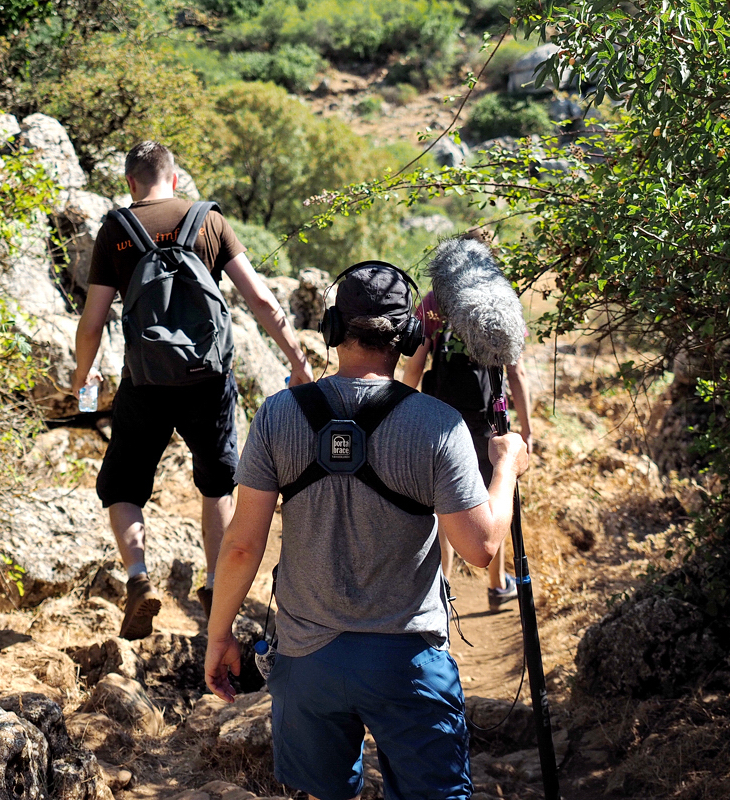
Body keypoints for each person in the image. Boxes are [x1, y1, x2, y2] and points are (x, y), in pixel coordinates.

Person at [204, 263, 530, 800]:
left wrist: (219, 638)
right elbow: (482, 546)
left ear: (333, 329)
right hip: (408, 661)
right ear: (407, 336)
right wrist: (506, 467)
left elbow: (241, 545)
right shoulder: (438, 424)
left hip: (307, 660)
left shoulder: (277, 416)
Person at [71, 141, 313, 640]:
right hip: (210, 380)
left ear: (130, 183)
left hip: (145, 379)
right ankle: (213, 584)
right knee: (217, 481)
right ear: (175, 178)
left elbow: (92, 322)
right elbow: (263, 300)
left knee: (122, 482)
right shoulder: (209, 221)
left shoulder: (116, 229)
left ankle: (138, 580)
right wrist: (298, 360)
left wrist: (82, 375)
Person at [403, 288, 533, 611]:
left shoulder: (436, 300)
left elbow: (415, 365)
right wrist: (526, 429)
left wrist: (398, 413)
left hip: (439, 416)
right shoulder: (500, 298)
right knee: (493, 495)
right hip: (484, 420)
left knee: (437, 503)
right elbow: (516, 372)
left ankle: (442, 588)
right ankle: (497, 585)